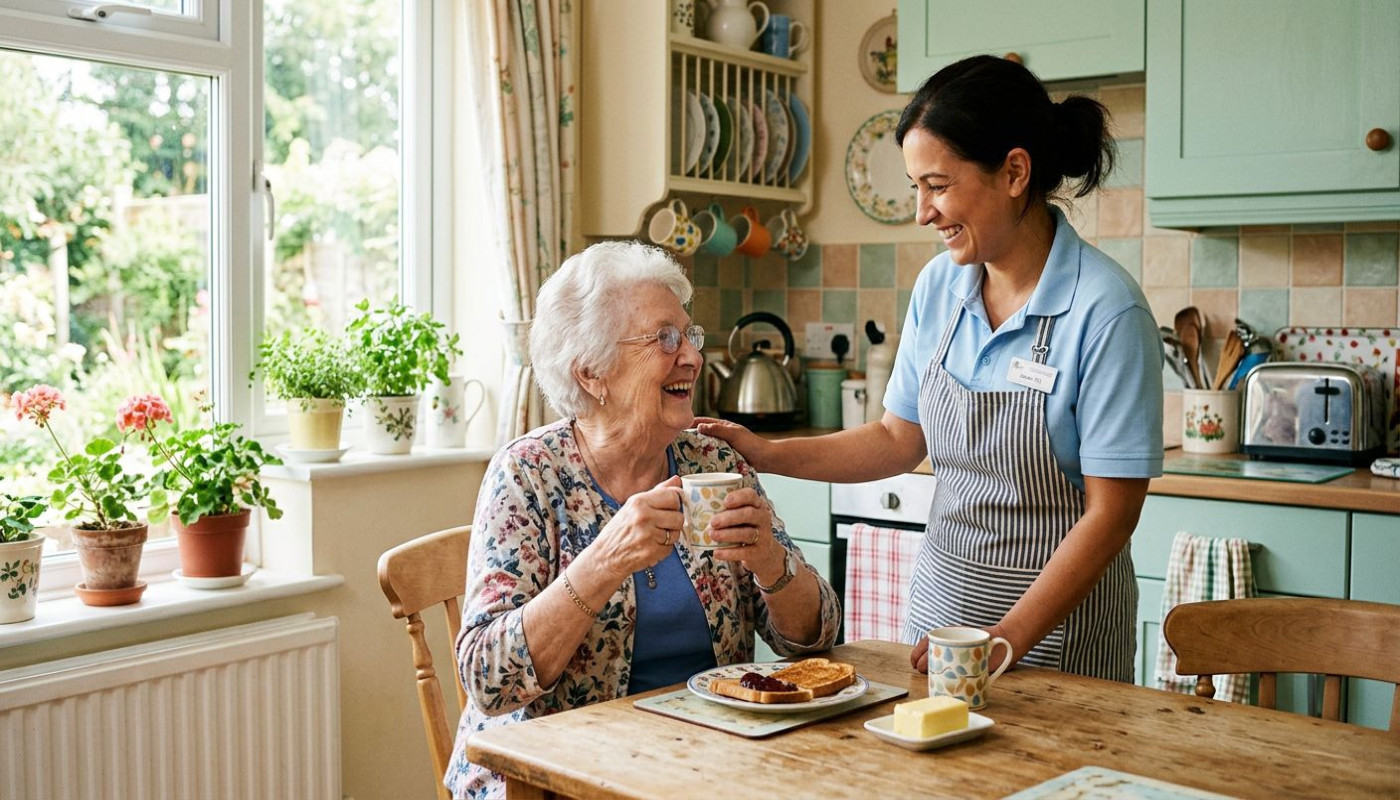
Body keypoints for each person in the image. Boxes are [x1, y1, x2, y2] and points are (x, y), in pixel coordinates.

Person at [700, 55, 1163, 683]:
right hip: (941, 621)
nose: (922, 212)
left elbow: (1111, 514)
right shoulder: (939, 287)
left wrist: (1003, 642)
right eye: (916, 186)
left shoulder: (1106, 310)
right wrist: (767, 452)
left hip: (1057, 641)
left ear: (1015, 172)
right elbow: (896, 439)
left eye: (938, 186)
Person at [444, 240, 841, 799]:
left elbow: (815, 638)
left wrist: (770, 562)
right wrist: (605, 561)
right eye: (665, 339)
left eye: (689, 335)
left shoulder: (714, 462)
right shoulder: (528, 475)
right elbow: (488, 679)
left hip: (703, 765)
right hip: (558, 778)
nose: (692, 357)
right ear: (591, 373)